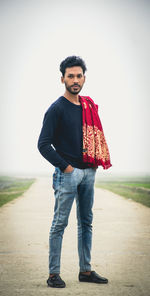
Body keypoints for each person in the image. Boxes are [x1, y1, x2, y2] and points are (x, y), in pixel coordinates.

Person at [37, 55, 112, 288]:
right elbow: (43, 144)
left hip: (89, 172)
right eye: (70, 76)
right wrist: (66, 167)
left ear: (84, 78)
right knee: (60, 224)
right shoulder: (56, 109)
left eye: (79, 75)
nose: (75, 80)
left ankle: (86, 271)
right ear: (62, 79)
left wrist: (88, 168)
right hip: (67, 174)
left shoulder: (88, 106)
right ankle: (53, 274)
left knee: (86, 222)